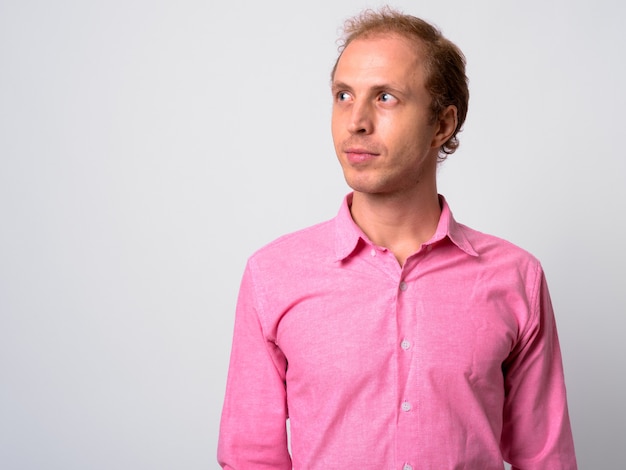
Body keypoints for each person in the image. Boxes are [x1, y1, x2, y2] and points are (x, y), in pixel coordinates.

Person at [218, 7, 577, 469]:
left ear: (442, 125)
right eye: (343, 95)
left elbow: (545, 458)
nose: (356, 121)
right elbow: (251, 458)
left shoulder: (516, 277)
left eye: (385, 97)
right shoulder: (273, 275)